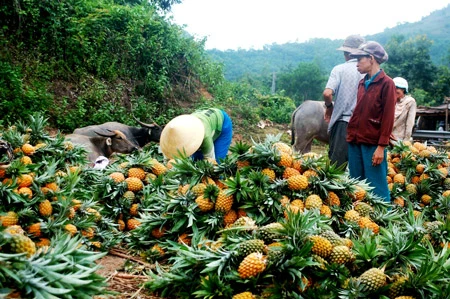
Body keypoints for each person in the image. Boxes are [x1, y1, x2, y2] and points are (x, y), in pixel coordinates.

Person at [346, 41, 396, 203]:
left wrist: (381, 146)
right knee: (356, 185)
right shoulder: (362, 83)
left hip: (372, 143)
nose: (357, 64)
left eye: (360, 59)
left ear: (371, 59)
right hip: (355, 140)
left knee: (377, 186)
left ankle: (382, 220)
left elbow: (388, 117)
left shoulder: (387, 84)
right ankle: (360, 220)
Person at [323, 34, 366, 167]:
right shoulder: (369, 71)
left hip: (343, 124)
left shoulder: (339, 69)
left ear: (346, 53)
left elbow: (327, 93)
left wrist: (329, 107)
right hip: (364, 126)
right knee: (358, 168)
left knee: (337, 168)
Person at [159, 108, 233, 162]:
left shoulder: (204, 135)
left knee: (217, 164)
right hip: (203, 117)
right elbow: (167, 159)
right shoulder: (169, 137)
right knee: (196, 160)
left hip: (222, 123)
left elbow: (210, 161)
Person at [391, 77, 417, 141]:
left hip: (399, 140)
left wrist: (405, 142)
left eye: (397, 88)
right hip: (386, 138)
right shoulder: (389, 100)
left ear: (403, 90)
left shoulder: (410, 102)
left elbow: (410, 123)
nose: (395, 91)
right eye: (393, 88)